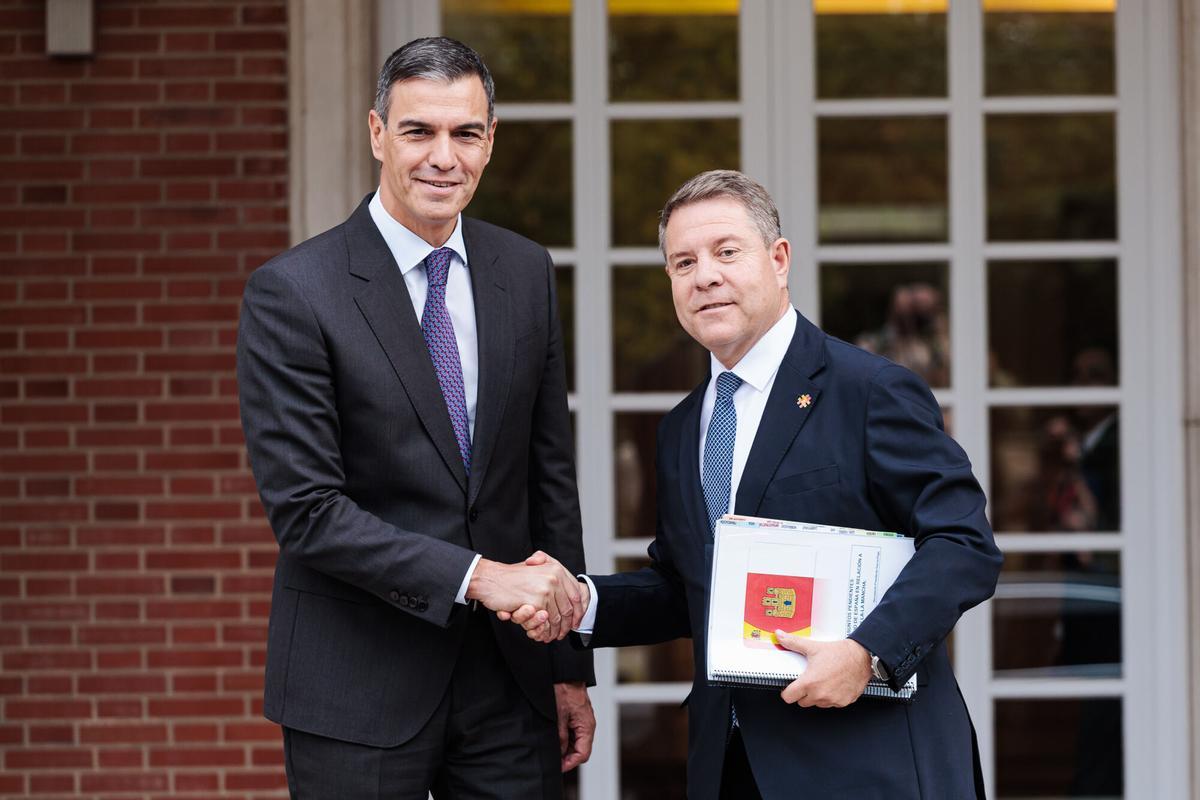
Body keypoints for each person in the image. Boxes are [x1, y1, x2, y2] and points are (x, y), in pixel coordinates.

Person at [512, 170, 1002, 798]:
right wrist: (581, 604)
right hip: (731, 766)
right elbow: (687, 585)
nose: (704, 276)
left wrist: (866, 652)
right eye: (682, 262)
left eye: (726, 252)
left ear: (778, 260)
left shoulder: (870, 392)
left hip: (871, 761)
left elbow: (964, 545)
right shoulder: (683, 428)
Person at [236, 37, 594, 799]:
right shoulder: (294, 292)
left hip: (509, 682)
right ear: (376, 134)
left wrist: (568, 666)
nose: (444, 156)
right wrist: (476, 577)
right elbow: (307, 513)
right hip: (356, 680)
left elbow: (547, 477)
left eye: (465, 134)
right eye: (418, 131)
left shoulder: (524, 272)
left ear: (490, 141)